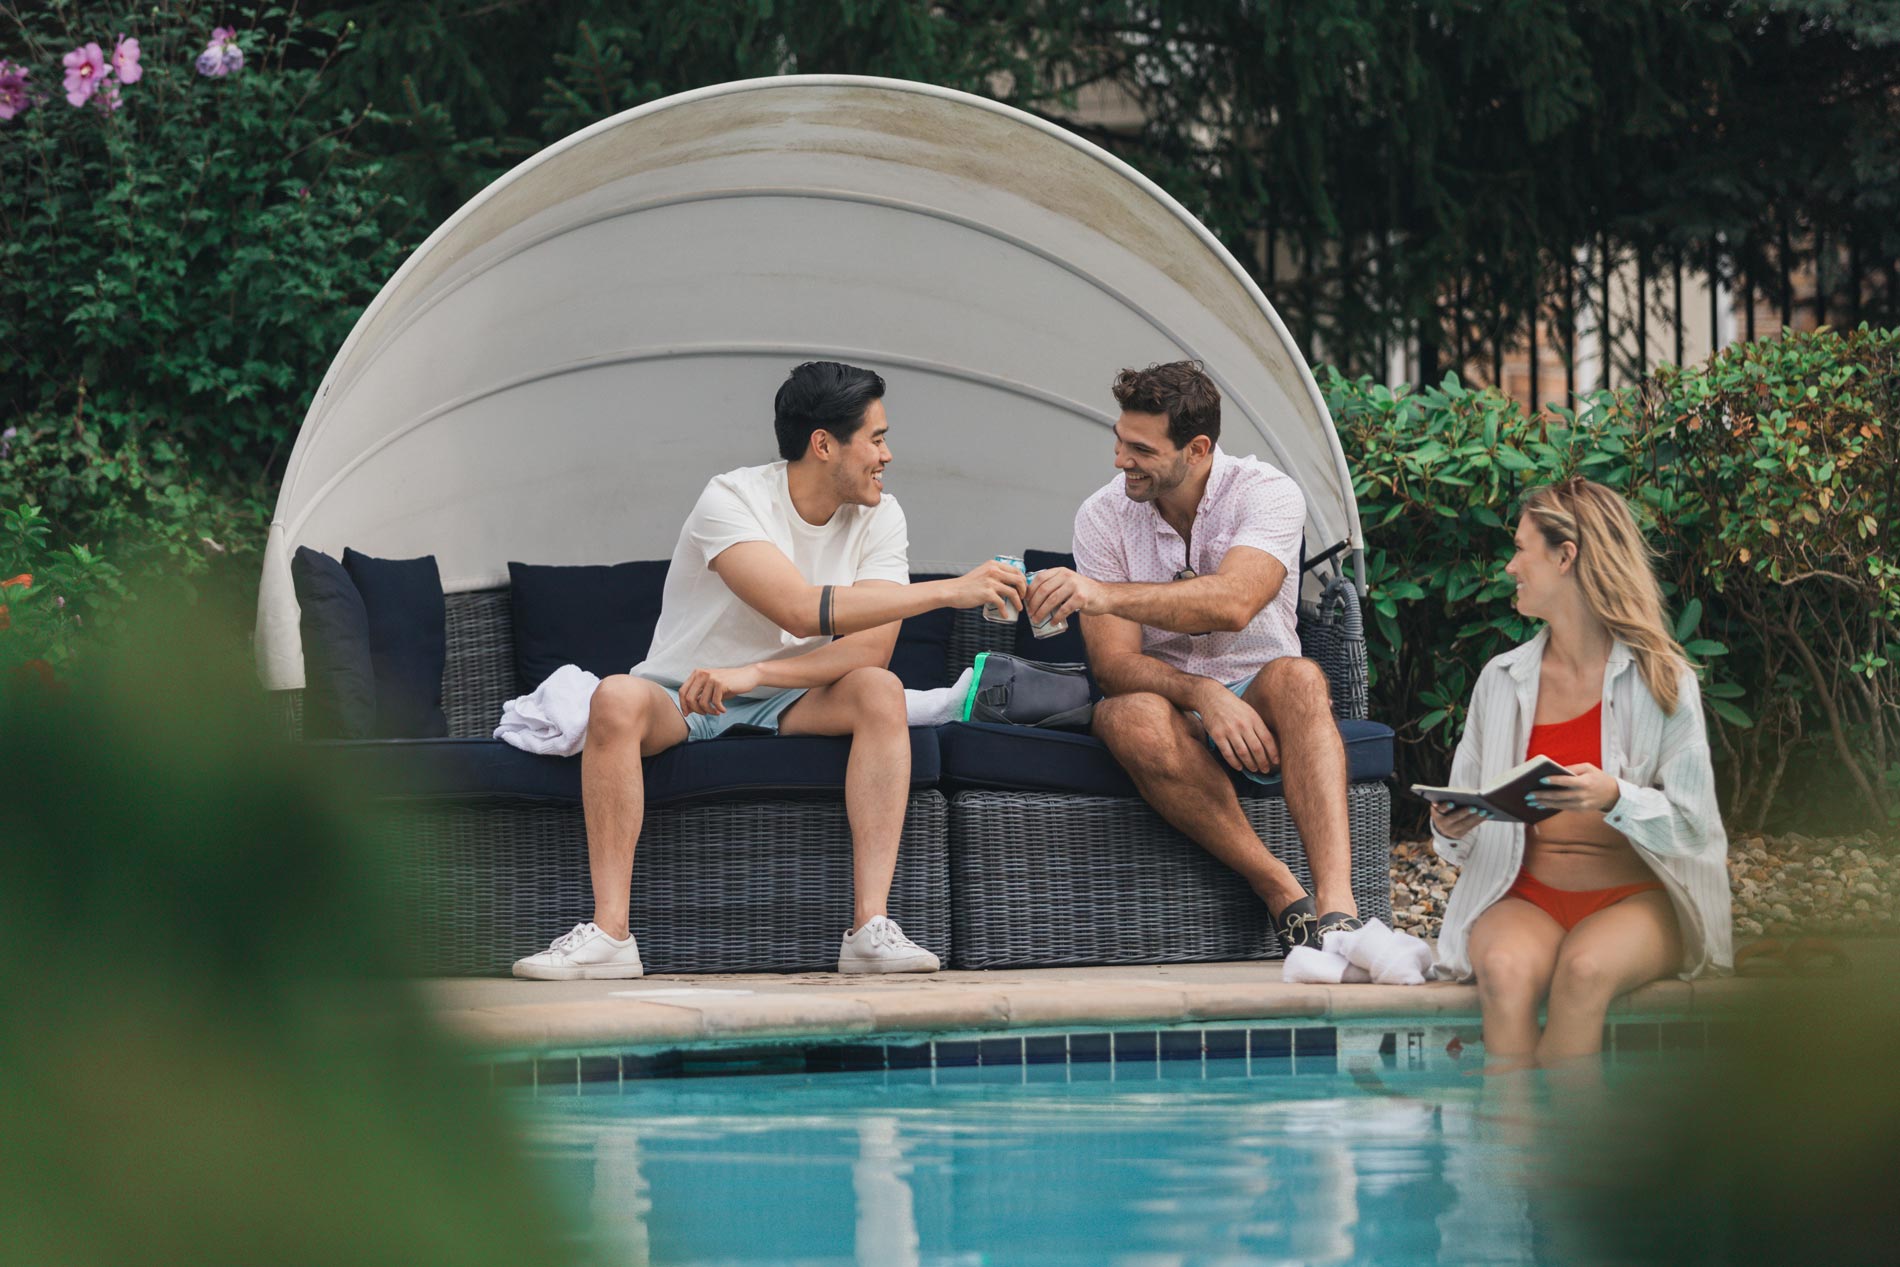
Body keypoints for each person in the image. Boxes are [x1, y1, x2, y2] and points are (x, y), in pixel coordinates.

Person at [512, 361, 1028, 979]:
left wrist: (758, 674)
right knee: (617, 699)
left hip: (791, 692)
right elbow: (797, 606)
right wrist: (948, 591)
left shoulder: (881, 515)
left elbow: (870, 653)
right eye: (877, 437)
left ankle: (870, 929)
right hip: (684, 692)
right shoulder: (730, 498)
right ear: (823, 444)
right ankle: (610, 936)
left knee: (880, 691)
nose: (887, 455)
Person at [1026, 360, 1360, 952]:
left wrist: (1101, 594)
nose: (1119, 460)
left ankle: (1340, 914)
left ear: (1198, 449)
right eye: (1119, 440)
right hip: (1168, 702)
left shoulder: (1269, 493)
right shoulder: (1101, 515)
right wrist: (1201, 693)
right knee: (1125, 714)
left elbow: (1234, 604)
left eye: (1140, 448)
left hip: (1262, 686)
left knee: (1303, 679)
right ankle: (1282, 893)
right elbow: (1112, 666)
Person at [1430, 477, 1732, 1067]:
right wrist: (1452, 824)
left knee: (1585, 971)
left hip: (1634, 898)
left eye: (1521, 548)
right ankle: (1508, 1151)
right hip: (1527, 896)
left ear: (1566, 556)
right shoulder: (1502, 680)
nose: (1511, 565)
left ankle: (1572, 1151)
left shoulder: (1662, 680)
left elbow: (1695, 830)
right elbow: (1454, 834)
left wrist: (1615, 795)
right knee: (1503, 970)